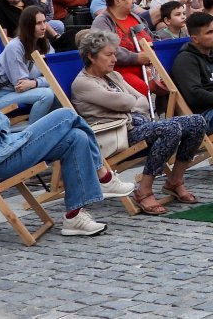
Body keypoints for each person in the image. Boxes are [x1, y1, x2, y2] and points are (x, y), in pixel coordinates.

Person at [0, 36, 136, 237]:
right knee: (66, 115)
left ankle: (74, 216)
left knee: (75, 138)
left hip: (3, 149)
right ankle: (103, 176)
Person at [70, 29, 205, 215]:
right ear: (91, 57)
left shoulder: (114, 76)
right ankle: (144, 191)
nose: (114, 59)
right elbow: (127, 101)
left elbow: (141, 100)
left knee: (198, 122)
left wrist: (127, 103)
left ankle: (175, 181)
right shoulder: (83, 83)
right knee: (171, 128)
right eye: (108, 55)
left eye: (114, 54)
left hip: (136, 127)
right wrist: (128, 103)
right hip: (116, 136)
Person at [0, 6, 60, 125]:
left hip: (29, 92)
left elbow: (55, 76)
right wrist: (41, 81)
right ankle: (34, 133)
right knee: (47, 94)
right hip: (4, 97)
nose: (43, 27)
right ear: (28, 26)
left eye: (44, 22)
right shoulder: (14, 47)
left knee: (58, 89)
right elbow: (21, 85)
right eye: (38, 23)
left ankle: (58, 125)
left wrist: (35, 82)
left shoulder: (45, 44)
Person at [90, 0, 157, 97]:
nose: (134, 1)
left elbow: (151, 37)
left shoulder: (135, 17)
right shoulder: (102, 22)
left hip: (149, 67)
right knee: (141, 88)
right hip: (119, 72)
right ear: (117, 0)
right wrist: (135, 57)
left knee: (174, 78)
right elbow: (107, 50)